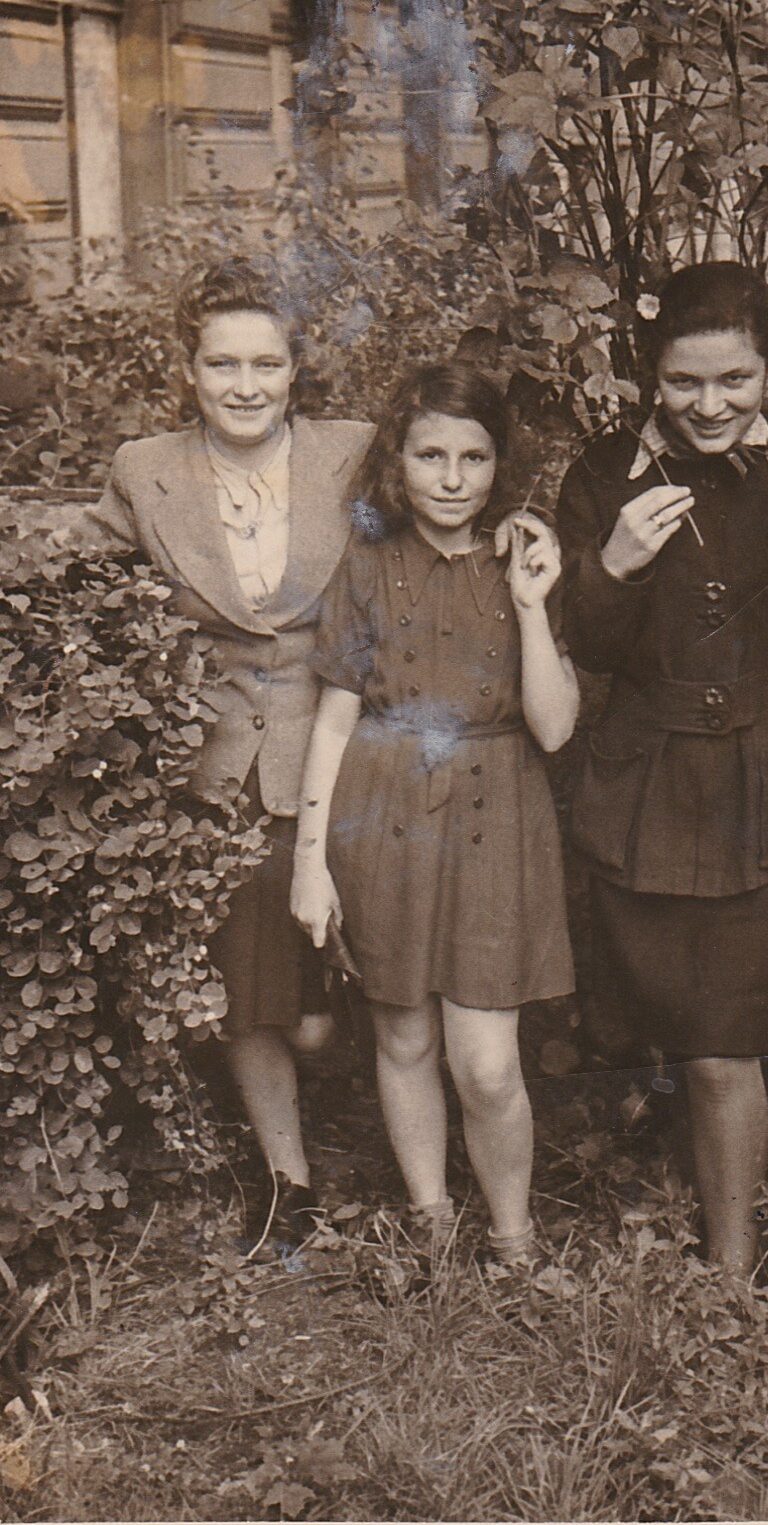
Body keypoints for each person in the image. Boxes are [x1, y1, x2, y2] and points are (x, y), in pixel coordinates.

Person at [556, 261, 768, 1276]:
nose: (710, 406)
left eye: (736, 381)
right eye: (683, 384)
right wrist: (610, 562)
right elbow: (578, 643)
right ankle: (698, 1211)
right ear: (648, 376)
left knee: (725, 1043)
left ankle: (732, 1272)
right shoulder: (603, 472)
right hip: (646, 794)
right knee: (662, 1032)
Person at [69, 254, 376, 1247]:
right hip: (225, 761)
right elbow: (76, 569)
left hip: (353, 749)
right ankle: (291, 1184)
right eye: (221, 364)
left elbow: (456, 514)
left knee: (332, 1005)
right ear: (189, 370)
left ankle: (399, 1146)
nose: (245, 385)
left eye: (266, 363)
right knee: (251, 994)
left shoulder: (355, 454)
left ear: (297, 369)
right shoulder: (145, 470)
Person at [291, 361, 578, 1265]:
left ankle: (515, 1242)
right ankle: (431, 1224)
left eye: (475, 457)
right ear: (397, 459)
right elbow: (334, 720)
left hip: (499, 816)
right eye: (430, 455)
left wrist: (532, 606)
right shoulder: (369, 563)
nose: (452, 479)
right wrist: (309, 861)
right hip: (383, 815)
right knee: (405, 1032)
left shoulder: (524, 560)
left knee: (488, 1062)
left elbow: (556, 726)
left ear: (501, 464)